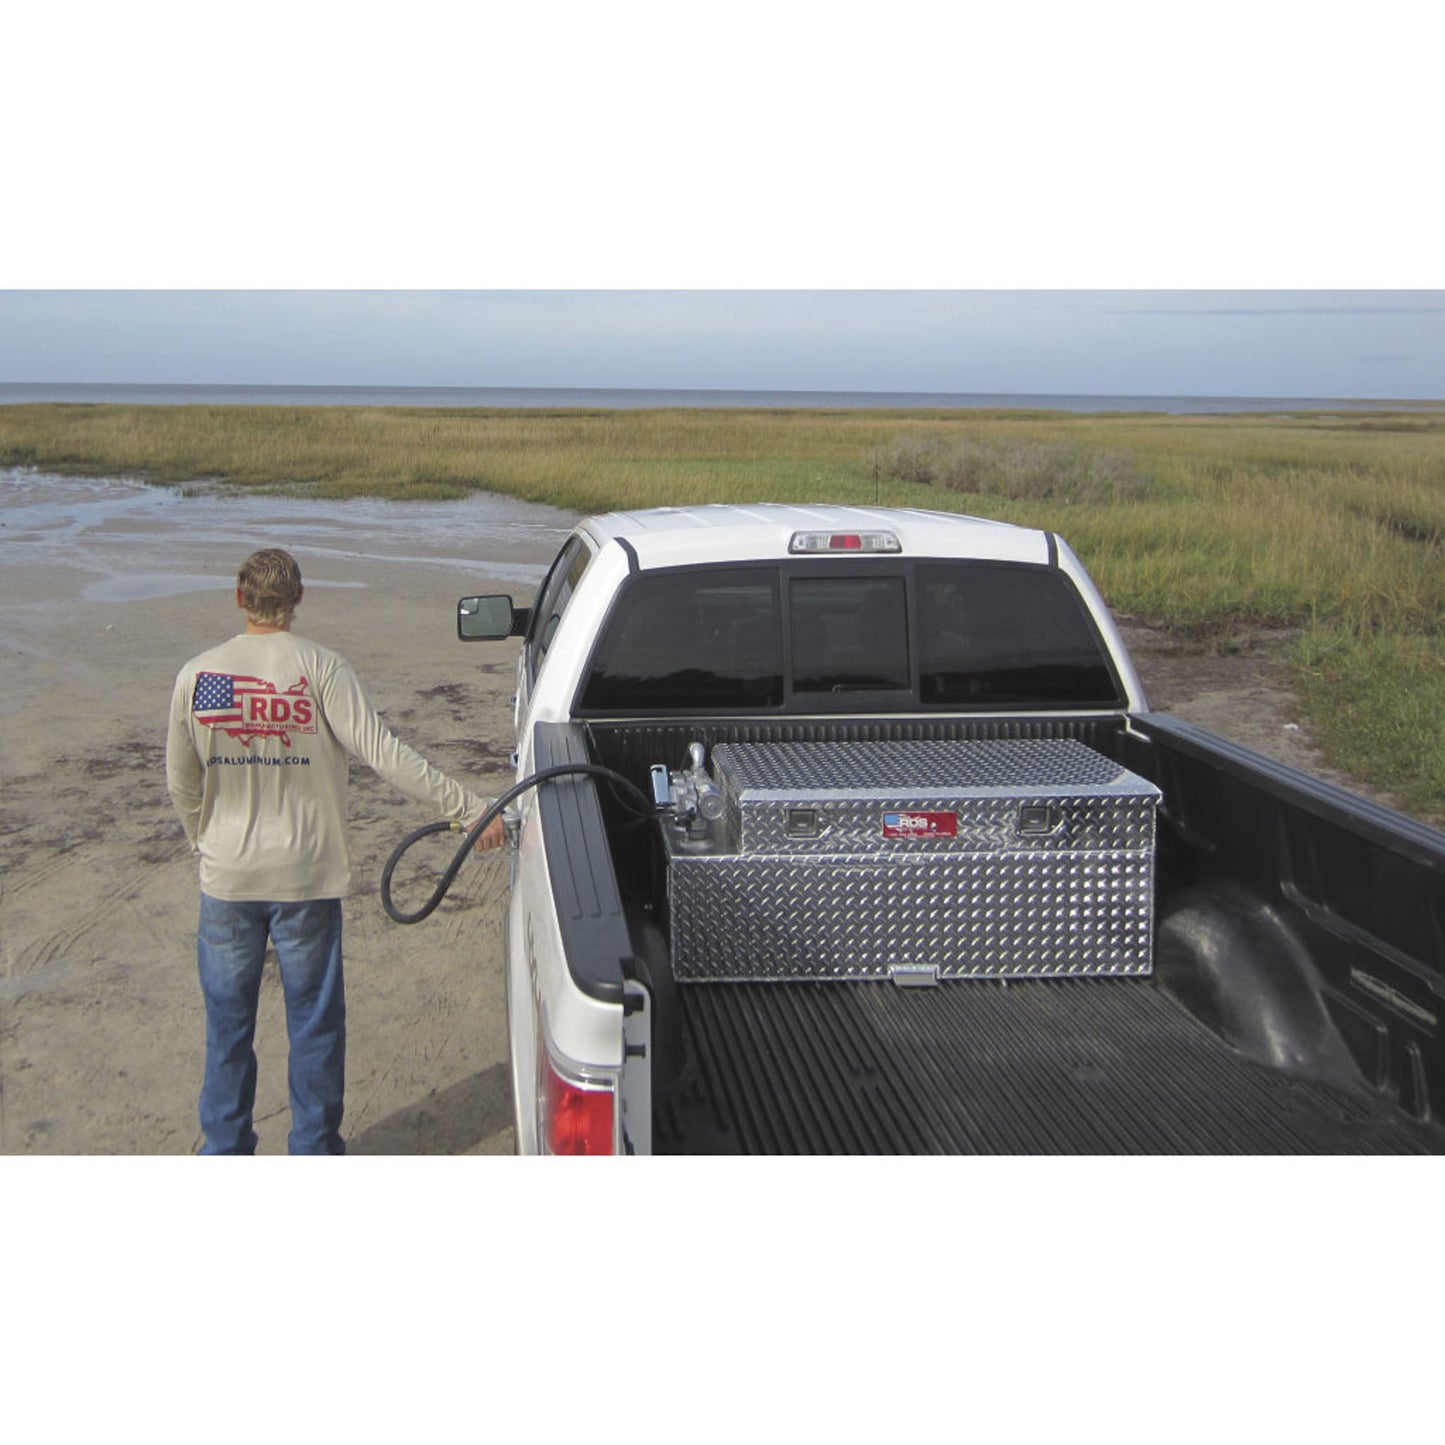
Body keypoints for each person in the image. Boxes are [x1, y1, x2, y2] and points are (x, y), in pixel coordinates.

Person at [166, 548, 505, 1155]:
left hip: (230, 880)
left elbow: (182, 783)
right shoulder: (318, 667)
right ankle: (315, 1152)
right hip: (305, 879)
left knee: (227, 1031)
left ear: (239, 599)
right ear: (298, 601)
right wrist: (468, 805)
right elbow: (386, 754)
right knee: (315, 1029)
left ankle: (225, 1151)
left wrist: (207, 839)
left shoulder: (202, 673)